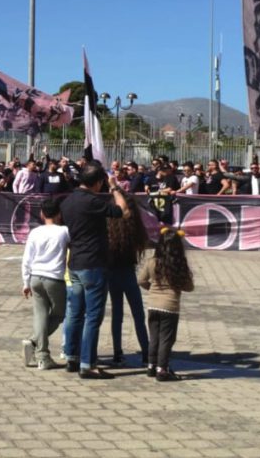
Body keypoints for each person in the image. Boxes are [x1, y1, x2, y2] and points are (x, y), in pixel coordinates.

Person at [61, 162, 130, 379]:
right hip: (93, 263)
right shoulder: (92, 201)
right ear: (98, 182)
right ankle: (87, 364)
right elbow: (123, 211)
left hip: (75, 262)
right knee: (93, 315)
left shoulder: (68, 200)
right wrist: (115, 187)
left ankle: (71, 356)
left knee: (74, 313)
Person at [138, 226, 195, 382]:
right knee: (166, 339)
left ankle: (151, 365)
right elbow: (189, 287)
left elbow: (141, 280)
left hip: (153, 305)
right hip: (170, 308)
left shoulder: (152, 262)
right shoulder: (179, 265)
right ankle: (162, 369)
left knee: (154, 337)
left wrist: (152, 289)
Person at [20, 198, 70, 370]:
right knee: (58, 313)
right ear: (59, 214)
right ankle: (36, 343)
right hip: (54, 278)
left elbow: (27, 259)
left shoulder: (35, 232)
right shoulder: (64, 231)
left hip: (35, 277)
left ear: (42, 214)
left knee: (40, 315)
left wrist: (25, 281)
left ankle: (41, 353)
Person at [106, 193, 150, 367]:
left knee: (117, 315)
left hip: (111, 273)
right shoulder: (134, 228)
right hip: (128, 273)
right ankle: (146, 352)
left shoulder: (109, 226)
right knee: (138, 314)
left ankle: (118, 352)